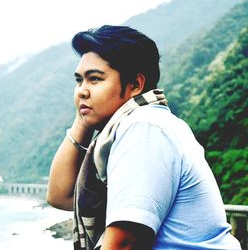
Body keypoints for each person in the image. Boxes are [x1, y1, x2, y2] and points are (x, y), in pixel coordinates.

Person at [46, 25, 241, 250]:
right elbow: (60, 194)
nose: (81, 90)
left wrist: (87, 107)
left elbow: (125, 244)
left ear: (135, 85)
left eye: (95, 79)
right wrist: (83, 118)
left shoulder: (145, 128)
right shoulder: (134, 126)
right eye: (79, 80)